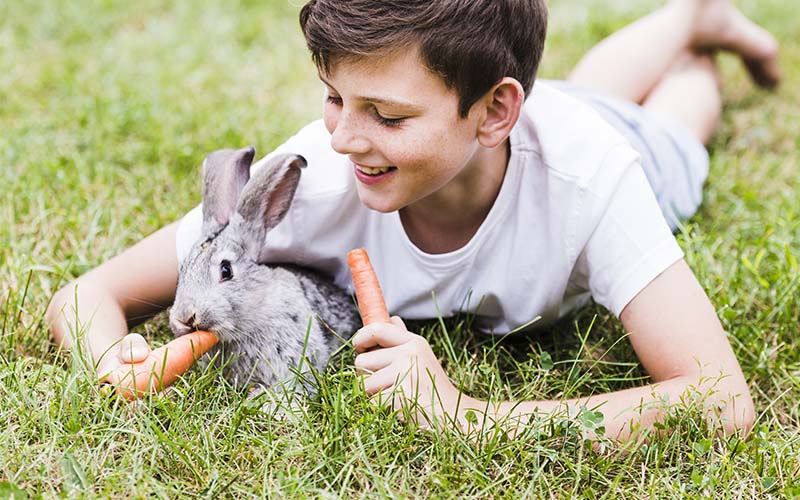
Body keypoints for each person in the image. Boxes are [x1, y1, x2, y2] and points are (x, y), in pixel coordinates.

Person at [46, 0, 781, 441]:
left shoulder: (593, 179)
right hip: (523, 117)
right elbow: (87, 295)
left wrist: (466, 415)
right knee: (580, 90)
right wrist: (113, 363)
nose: (343, 138)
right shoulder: (318, 175)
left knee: (678, 123)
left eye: (387, 116)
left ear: (494, 110)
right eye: (335, 97)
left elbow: (721, 399)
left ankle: (695, 21)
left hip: (617, 144)